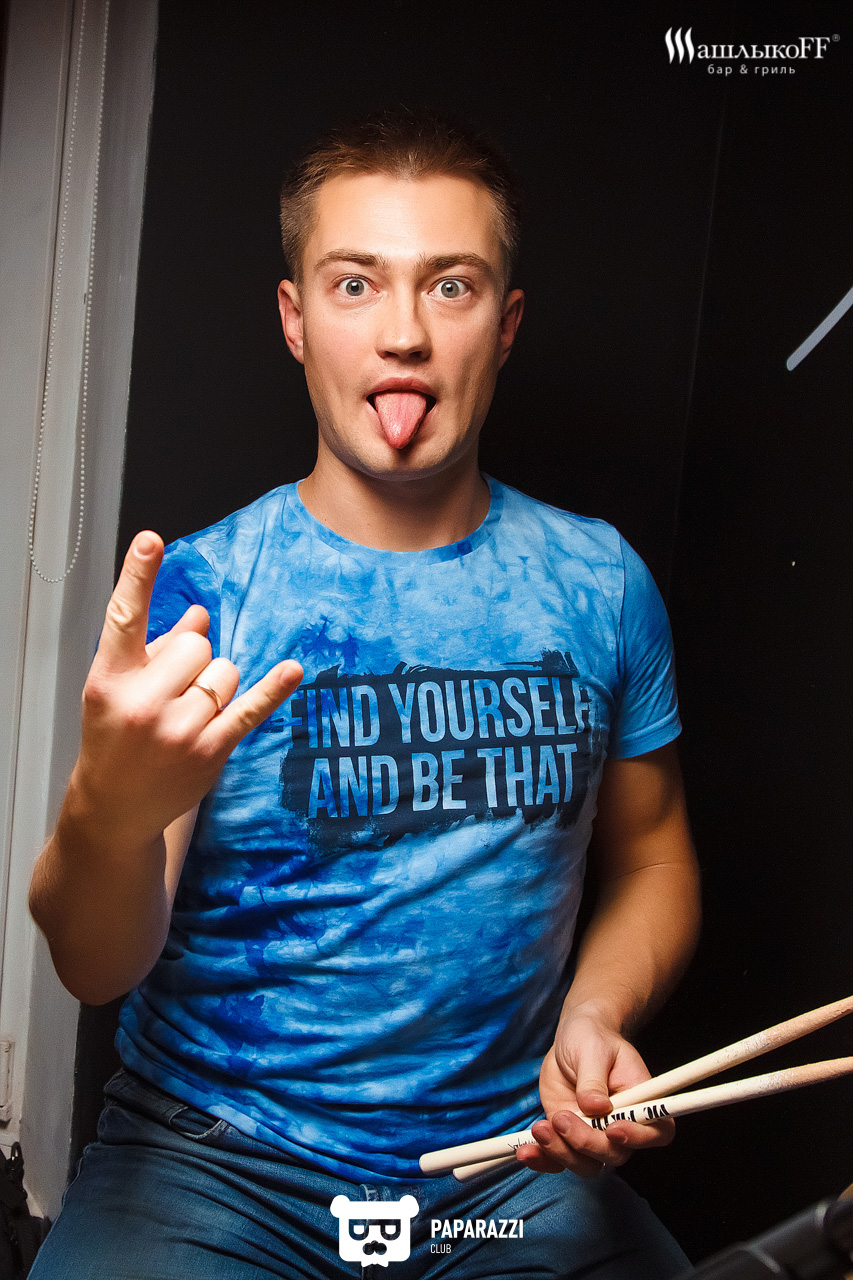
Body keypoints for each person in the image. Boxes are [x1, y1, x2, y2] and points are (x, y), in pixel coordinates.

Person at [28, 109, 700, 1279]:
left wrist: (593, 1016)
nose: (403, 334)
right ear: (295, 320)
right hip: (215, 1163)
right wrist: (108, 812)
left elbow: (652, 859)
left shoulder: (600, 583)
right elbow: (93, 964)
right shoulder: (205, 590)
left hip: (509, 1167)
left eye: (451, 286)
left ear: (506, 324)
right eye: (354, 285)